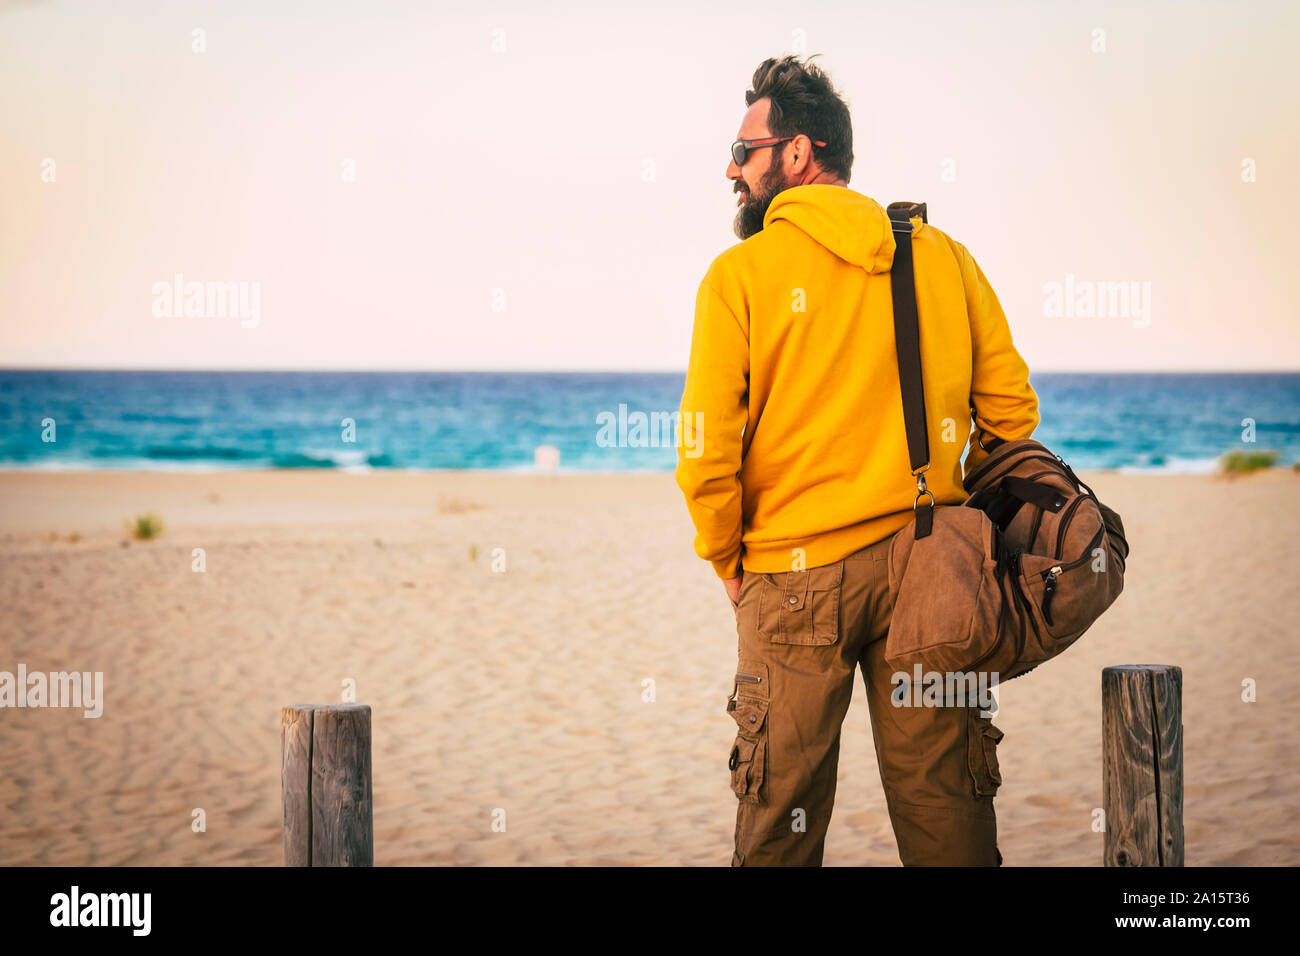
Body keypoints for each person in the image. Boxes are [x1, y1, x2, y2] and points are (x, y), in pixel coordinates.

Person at [675, 54, 1040, 866]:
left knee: (780, 822)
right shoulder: (940, 255)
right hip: (930, 571)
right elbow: (1012, 417)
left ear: (798, 153)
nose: (730, 168)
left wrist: (726, 560)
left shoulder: (738, 276)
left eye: (744, 150)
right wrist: (955, 520)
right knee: (948, 812)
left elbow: (704, 451)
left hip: (793, 580)